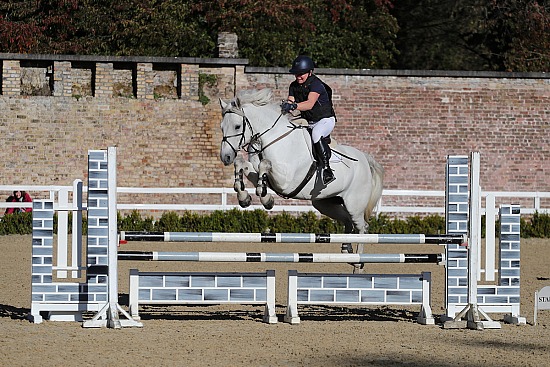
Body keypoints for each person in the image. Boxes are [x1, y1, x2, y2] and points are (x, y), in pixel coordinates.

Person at [281, 55, 336, 185]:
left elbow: (309, 104)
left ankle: (327, 170)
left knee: (317, 133)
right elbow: (291, 100)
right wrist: (286, 106)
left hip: (325, 120)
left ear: (310, 72)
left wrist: (293, 106)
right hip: (308, 121)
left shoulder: (316, 84)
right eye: (296, 74)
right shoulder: (293, 86)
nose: (299, 76)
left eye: (302, 74)